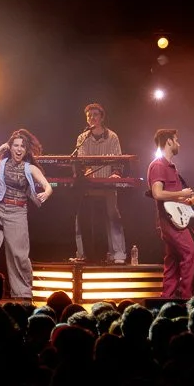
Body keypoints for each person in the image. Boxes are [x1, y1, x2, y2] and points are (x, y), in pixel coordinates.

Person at [0, 129, 53, 300]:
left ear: (26, 149)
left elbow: (47, 186)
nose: (19, 149)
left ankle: (23, 295)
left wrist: (46, 192)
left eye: (22, 146)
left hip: (18, 211)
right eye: (16, 145)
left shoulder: (29, 168)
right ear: (11, 147)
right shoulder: (2, 162)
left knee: (18, 255)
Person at [147, 127, 194, 298]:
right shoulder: (158, 165)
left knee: (172, 263)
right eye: (176, 140)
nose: (179, 144)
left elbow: (177, 202)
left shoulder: (172, 167)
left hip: (174, 219)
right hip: (169, 222)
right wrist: (182, 193)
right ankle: (185, 297)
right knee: (191, 256)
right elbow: (157, 193)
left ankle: (166, 301)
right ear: (169, 141)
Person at [72, 102, 128, 265]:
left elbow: (118, 159)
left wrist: (116, 174)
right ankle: (82, 253)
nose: (92, 118)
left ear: (102, 117)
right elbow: (80, 160)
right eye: (89, 115)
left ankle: (118, 253)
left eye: (95, 115)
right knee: (80, 218)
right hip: (89, 184)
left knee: (113, 216)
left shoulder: (112, 136)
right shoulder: (82, 138)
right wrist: (87, 172)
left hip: (108, 183)